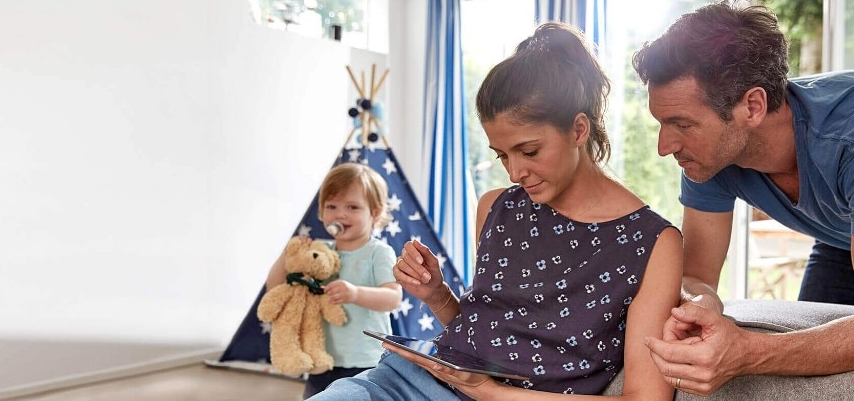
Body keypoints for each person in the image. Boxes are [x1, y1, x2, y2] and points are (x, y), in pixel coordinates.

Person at [310, 22, 684, 400]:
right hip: (405, 382)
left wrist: (491, 394)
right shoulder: (496, 207)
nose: (515, 172)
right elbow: (485, 334)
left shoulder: (654, 244)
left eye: (530, 151)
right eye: (502, 155)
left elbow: (646, 398)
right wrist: (437, 295)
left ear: (578, 130)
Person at [632, 0, 854, 396]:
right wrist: (700, 304)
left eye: (682, 124)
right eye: (662, 124)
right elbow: (698, 274)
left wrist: (747, 352)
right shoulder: (709, 157)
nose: (665, 146)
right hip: (846, 237)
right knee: (816, 374)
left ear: (752, 105)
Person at [265, 162, 403, 398]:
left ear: (375, 212)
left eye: (352, 207)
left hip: (366, 360)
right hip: (321, 358)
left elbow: (393, 298)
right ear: (321, 213)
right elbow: (276, 287)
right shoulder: (318, 253)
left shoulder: (378, 252)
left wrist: (356, 294)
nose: (340, 214)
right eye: (332, 206)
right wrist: (287, 253)